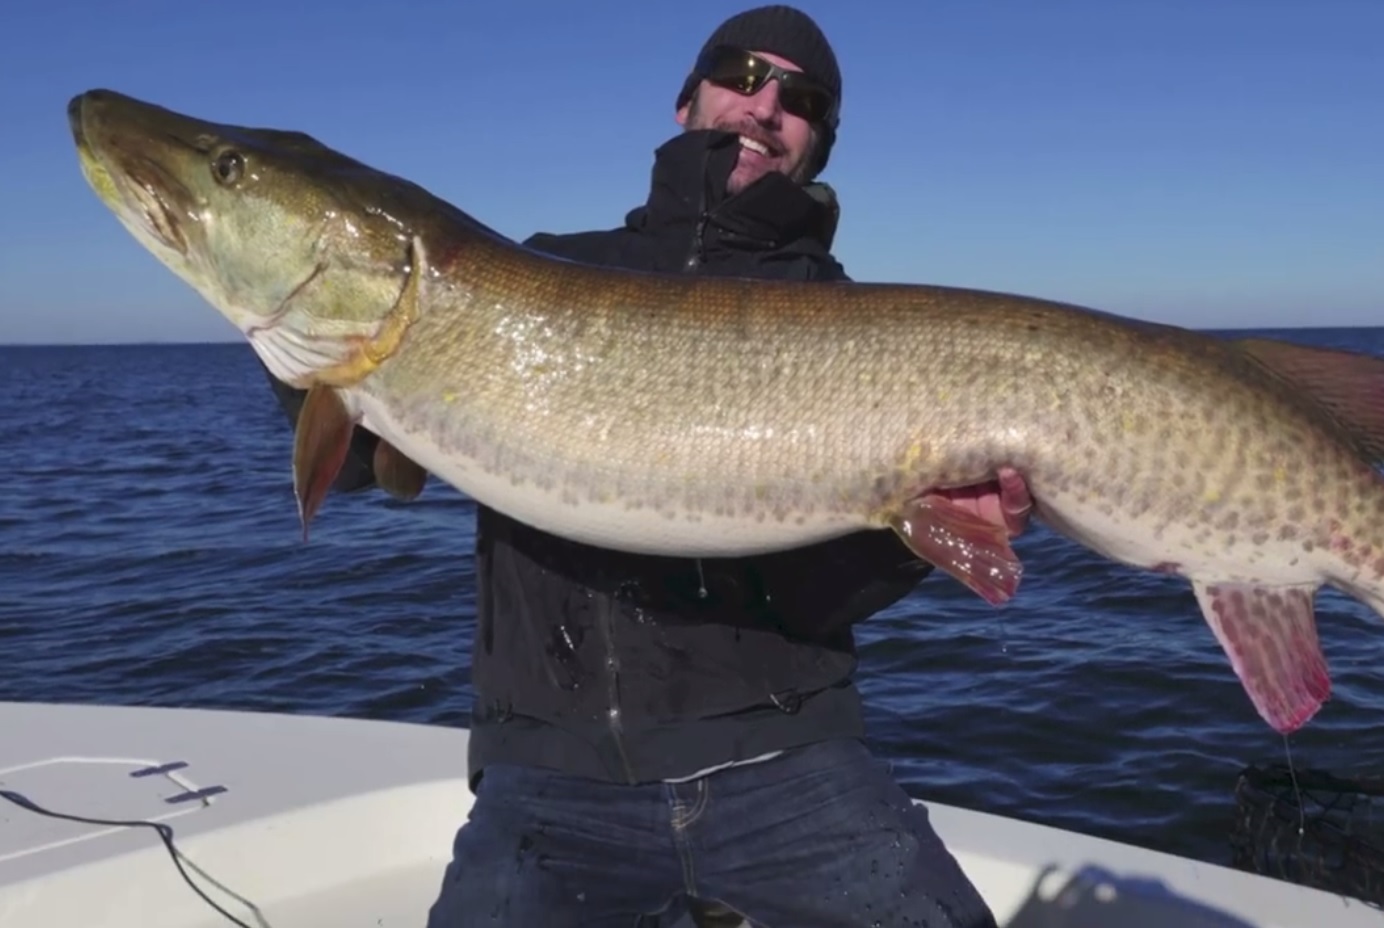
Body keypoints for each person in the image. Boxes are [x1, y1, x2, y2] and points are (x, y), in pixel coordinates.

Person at [265, 6, 1028, 926]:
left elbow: (821, 597)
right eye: (743, 74)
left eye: (802, 98)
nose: (764, 105)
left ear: (818, 140)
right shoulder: (543, 268)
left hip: (788, 759)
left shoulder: (846, 323)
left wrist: (926, 533)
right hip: (551, 771)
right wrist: (306, 352)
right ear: (687, 101)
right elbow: (358, 472)